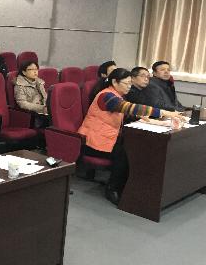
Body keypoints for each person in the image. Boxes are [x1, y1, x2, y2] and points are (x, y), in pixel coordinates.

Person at [78, 68, 184, 205]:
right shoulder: (106, 96)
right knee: (126, 154)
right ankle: (112, 189)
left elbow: (130, 113)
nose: (129, 86)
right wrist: (164, 112)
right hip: (93, 142)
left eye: (130, 83)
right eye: (126, 83)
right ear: (115, 82)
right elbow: (130, 108)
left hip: (108, 139)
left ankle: (131, 187)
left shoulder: (117, 95)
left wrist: (158, 122)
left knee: (134, 148)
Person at [14, 61, 49, 126]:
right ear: (24, 72)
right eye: (31, 69)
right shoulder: (20, 85)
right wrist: (42, 108)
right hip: (32, 115)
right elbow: (22, 104)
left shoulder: (39, 82)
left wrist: (48, 106)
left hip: (44, 112)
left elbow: (45, 97)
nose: (35, 72)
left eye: (36, 69)